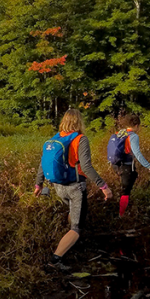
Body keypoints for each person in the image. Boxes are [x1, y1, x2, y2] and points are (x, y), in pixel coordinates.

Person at [34, 108, 113, 272]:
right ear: (79, 122)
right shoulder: (80, 139)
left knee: (73, 212)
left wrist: (38, 184)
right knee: (76, 227)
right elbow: (86, 166)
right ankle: (55, 260)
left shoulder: (55, 139)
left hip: (58, 187)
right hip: (75, 187)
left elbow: (42, 163)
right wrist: (103, 186)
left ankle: (70, 240)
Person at [109, 112, 150, 217]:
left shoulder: (119, 133)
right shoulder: (133, 136)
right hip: (127, 166)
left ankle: (118, 210)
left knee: (122, 188)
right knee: (125, 191)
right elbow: (137, 153)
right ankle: (121, 216)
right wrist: (148, 165)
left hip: (116, 165)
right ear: (136, 125)